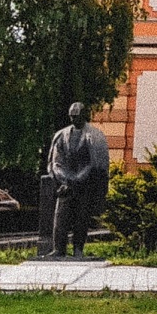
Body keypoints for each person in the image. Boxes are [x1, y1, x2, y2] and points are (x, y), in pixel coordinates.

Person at [45, 101, 111, 258]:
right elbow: (56, 162)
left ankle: (78, 250)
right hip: (65, 185)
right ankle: (58, 249)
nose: (73, 119)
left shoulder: (95, 136)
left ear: (84, 115)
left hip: (84, 186)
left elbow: (95, 164)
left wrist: (75, 181)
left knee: (82, 218)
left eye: (76, 116)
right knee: (60, 216)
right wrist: (65, 181)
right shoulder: (60, 136)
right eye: (71, 116)